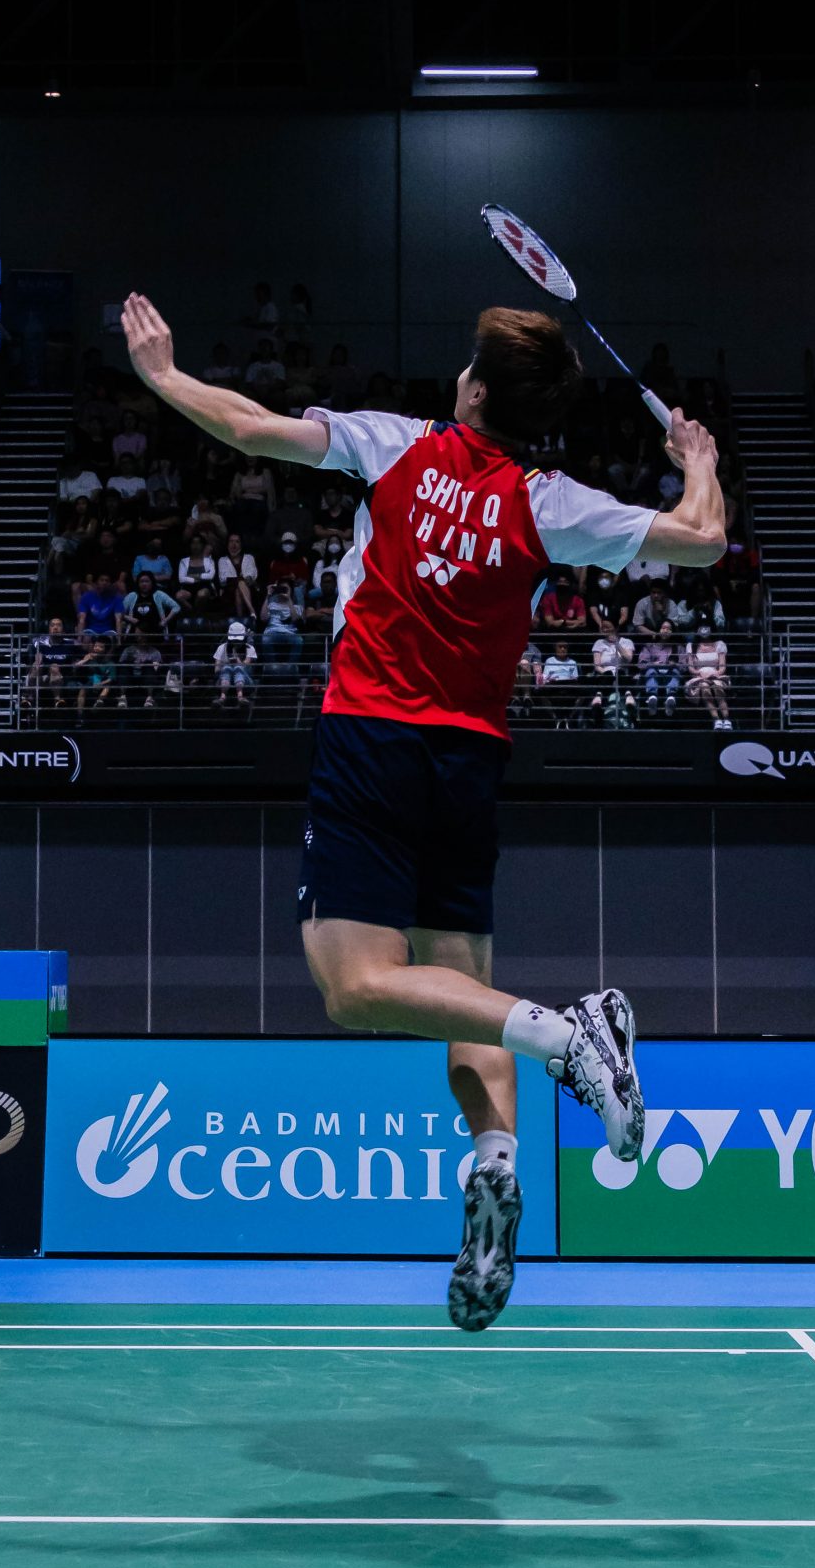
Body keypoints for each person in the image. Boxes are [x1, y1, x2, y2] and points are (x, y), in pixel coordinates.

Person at [120, 287, 726, 1333]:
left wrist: (164, 375)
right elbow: (700, 544)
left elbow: (252, 427)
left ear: (476, 389)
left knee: (355, 989)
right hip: (469, 759)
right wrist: (697, 461)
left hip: (369, 739)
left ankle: (568, 1032)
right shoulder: (552, 501)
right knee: (453, 993)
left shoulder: (394, 444)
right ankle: (494, 1168)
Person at [684, 630, 732, 728]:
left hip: (716, 675)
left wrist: (715, 674)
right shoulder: (691, 645)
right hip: (699, 677)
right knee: (705, 688)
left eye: (707, 627)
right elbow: (691, 668)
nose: (704, 630)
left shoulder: (719, 644)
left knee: (717, 687)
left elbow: (722, 667)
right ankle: (716, 720)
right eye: (701, 627)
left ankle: (726, 719)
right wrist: (700, 674)